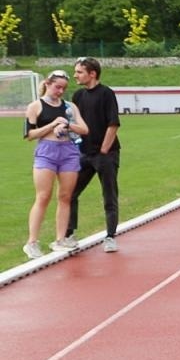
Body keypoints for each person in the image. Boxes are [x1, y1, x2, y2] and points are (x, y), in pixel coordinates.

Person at [22, 70, 88, 259]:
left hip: (68, 152)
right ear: (48, 84)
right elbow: (29, 135)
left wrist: (67, 125)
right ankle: (32, 242)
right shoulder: (35, 106)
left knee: (66, 196)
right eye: (57, 87)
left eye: (64, 88)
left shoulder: (70, 107)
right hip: (46, 152)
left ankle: (60, 239)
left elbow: (84, 129)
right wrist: (52, 125)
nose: (60, 91)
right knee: (43, 196)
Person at [69, 57, 122, 252]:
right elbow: (75, 124)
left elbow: (113, 123)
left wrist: (103, 150)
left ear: (92, 74)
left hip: (105, 154)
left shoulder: (106, 94)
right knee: (70, 193)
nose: (76, 75)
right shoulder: (78, 96)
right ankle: (69, 234)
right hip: (84, 154)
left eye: (79, 72)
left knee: (109, 195)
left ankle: (110, 236)